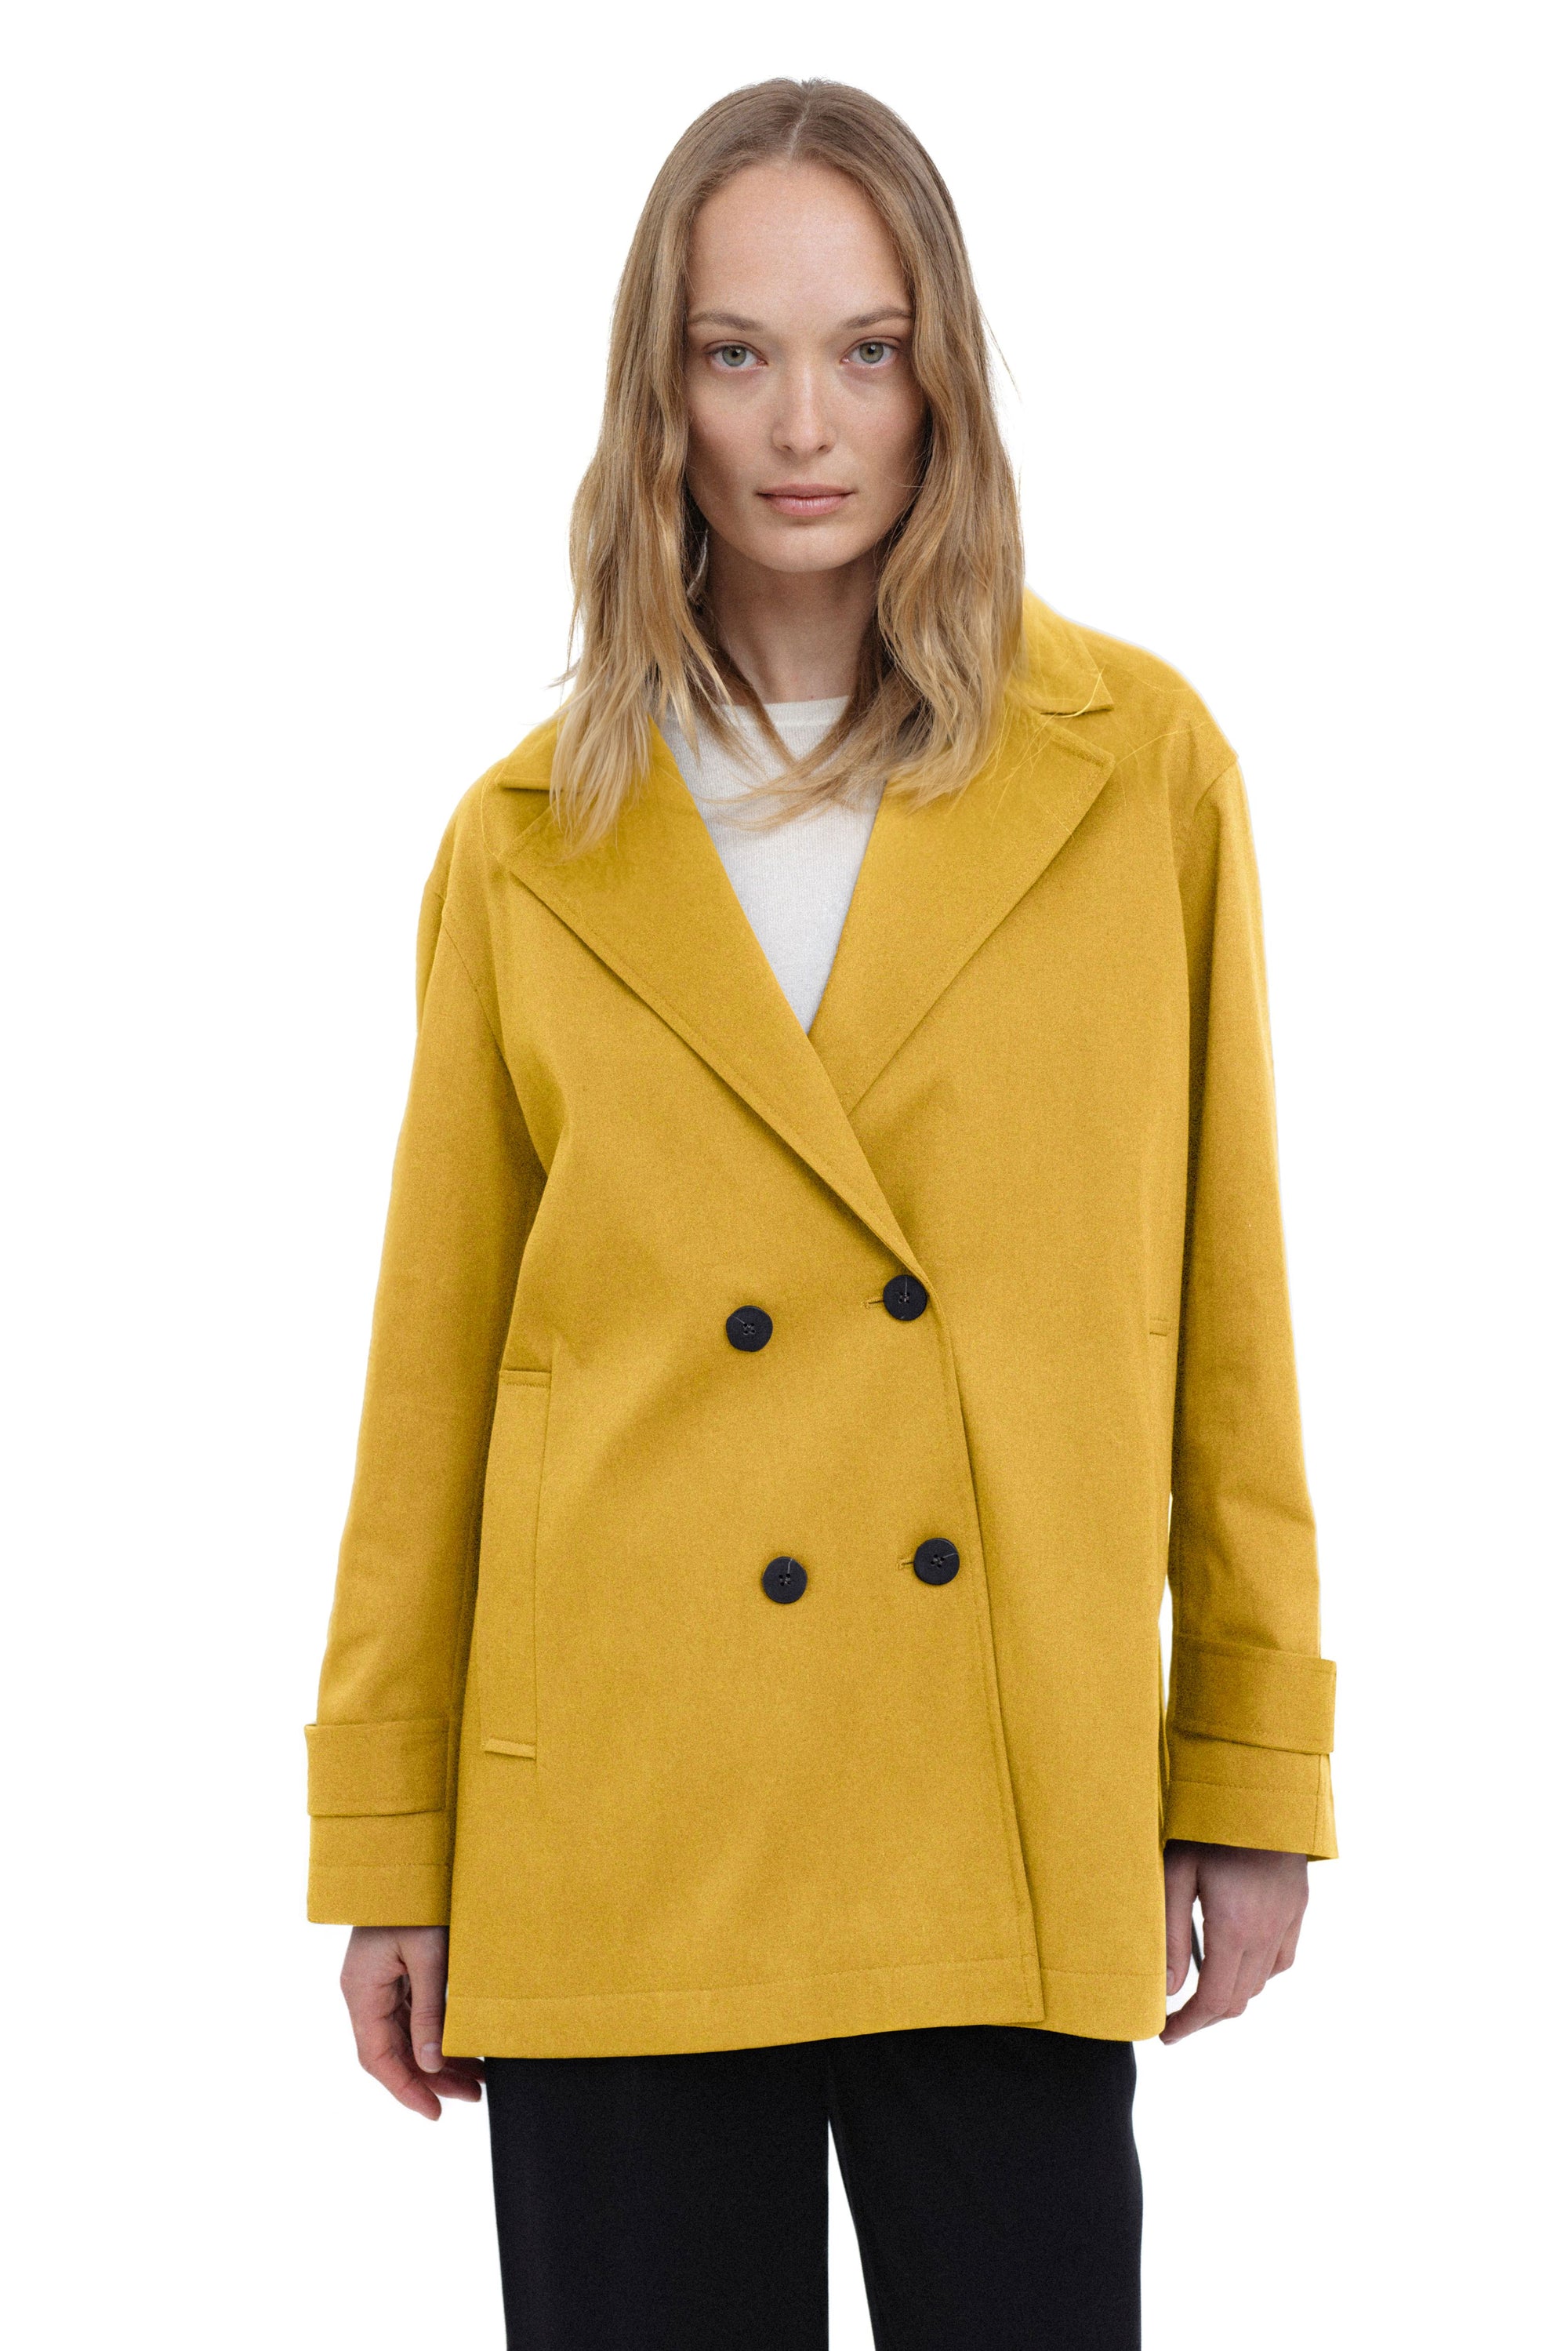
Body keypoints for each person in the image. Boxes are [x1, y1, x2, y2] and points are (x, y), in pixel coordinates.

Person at [305, 77, 1337, 2351]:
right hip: (625, 1812)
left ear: (942, 373)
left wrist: (1251, 1768)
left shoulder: (1133, 771)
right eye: (735, 352)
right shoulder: (526, 841)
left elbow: (1224, 1310)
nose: (804, 425)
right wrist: (388, 1842)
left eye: (868, 350)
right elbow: (436, 1380)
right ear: (655, 391)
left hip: (1004, 1787)